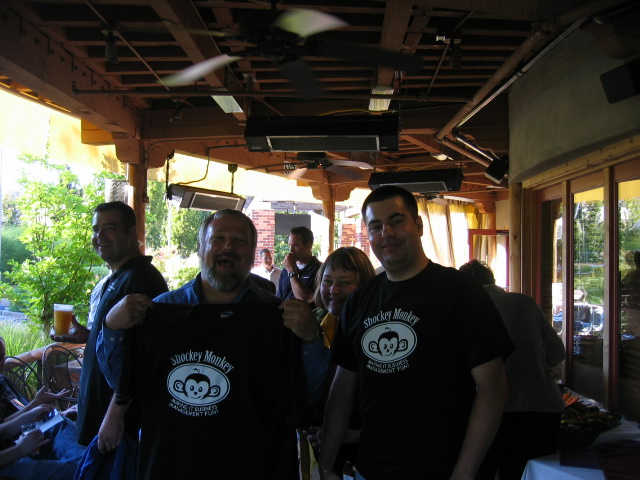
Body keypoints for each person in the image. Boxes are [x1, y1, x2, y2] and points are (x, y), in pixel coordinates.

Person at [319, 185, 514, 480]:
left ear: (419, 225)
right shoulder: (360, 301)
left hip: (442, 470)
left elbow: (493, 389)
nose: (386, 233)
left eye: (396, 221)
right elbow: (343, 386)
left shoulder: (460, 291)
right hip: (371, 469)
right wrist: (326, 463)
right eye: (376, 226)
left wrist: (463, 474)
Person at [100, 209, 308, 479]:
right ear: (200, 247)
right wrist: (112, 326)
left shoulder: (278, 320)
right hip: (173, 464)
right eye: (218, 238)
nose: (228, 247)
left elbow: (308, 396)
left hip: (252, 466)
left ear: (252, 252)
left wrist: (311, 340)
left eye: (239, 241)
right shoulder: (160, 313)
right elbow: (119, 379)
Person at [459, 260, 565, 480]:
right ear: (493, 280)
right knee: (532, 474)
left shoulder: (462, 309)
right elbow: (557, 353)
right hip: (540, 408)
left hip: (486, 413)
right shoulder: (524, 302)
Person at [74, 201, 168, 448]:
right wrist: (88, 335)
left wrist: (116, 414)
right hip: (100, 415)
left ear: (131, 233)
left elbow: (143, 357)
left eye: (110, 228)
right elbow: (118, 339)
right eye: (96, 229)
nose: (100, 236)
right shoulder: (118, 277)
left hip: (118, 428)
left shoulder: (142, 280)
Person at [0, 337, 86, 479]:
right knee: (78, 470)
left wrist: (36, 408)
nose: (1, 362)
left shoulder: (3, 381)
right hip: (10, 457)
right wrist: (20, 449)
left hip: (19, 438)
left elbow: (3, 427)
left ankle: (92, 463)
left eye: (2, 356)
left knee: (58, 422)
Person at [277, 226, 322, 302]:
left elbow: (305, 300)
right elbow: (279, 300)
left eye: (295, 246)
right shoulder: (285, 270)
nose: (291, 250)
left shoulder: (320, 270)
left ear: (308, 246)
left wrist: (292, 272)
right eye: (290, 246)